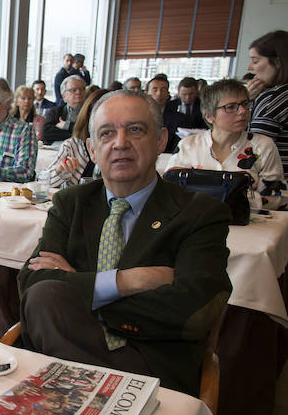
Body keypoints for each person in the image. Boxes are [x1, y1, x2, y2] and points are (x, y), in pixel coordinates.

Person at [18, 89, 232, 397]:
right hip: (63, 363)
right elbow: (31, 282)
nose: (120, 143)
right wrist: (127, 281)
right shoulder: (71, 203)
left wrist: (81, 293)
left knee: (50, 299)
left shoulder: (199, 213)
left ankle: (94, 393)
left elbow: (195, 309)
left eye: (135, 130)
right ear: (92, 149)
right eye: (107, 133)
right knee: (43, 296)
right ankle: (96, 394)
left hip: (150, 369)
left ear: (160, 140)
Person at [165, 79, 283, 202]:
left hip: (247, 219)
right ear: (209, 116)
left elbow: (275, 197)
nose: (242, 111)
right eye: (231, 107)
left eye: (245, 104)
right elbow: (169, 192)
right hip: (196, 219)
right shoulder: (188, 145)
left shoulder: (263, 146)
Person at [43, 89, 109, 188]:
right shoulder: (72, 146)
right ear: (90, 114)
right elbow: (43, 182)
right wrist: (59, 170)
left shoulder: (122, 149)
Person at [246, 30, 288, 175]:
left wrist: (244, 101)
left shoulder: (274, 98)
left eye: (255, 60)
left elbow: (251, 149)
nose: (249, 67)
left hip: (275, 185)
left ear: (277, 61)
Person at [43, 75, 87, 143]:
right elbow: (47, 133)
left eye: (82, 89)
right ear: (64, 96)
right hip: (56, 150)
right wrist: (76, 133)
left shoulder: (92, 112)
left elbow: (88, 132)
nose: (78, 92)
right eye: (73, 90)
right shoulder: (55, 111)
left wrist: (67, 125)